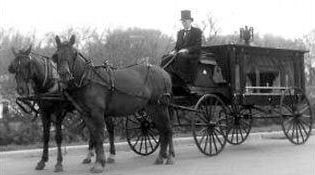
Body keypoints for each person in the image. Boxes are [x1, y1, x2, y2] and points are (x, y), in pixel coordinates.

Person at [162, 10, 202, 84]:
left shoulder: (197, 31)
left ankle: (183, 78)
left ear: (190, 21)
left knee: (181, 56)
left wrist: (186, 50)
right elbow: (177, 47)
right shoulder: (180, 33)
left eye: (185, 21)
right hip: (180, 53)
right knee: (165, 57)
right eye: (183, 21)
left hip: (192, 54)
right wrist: (173, 51)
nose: (184, 23)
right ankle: (165, 76)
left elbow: (197, 46)